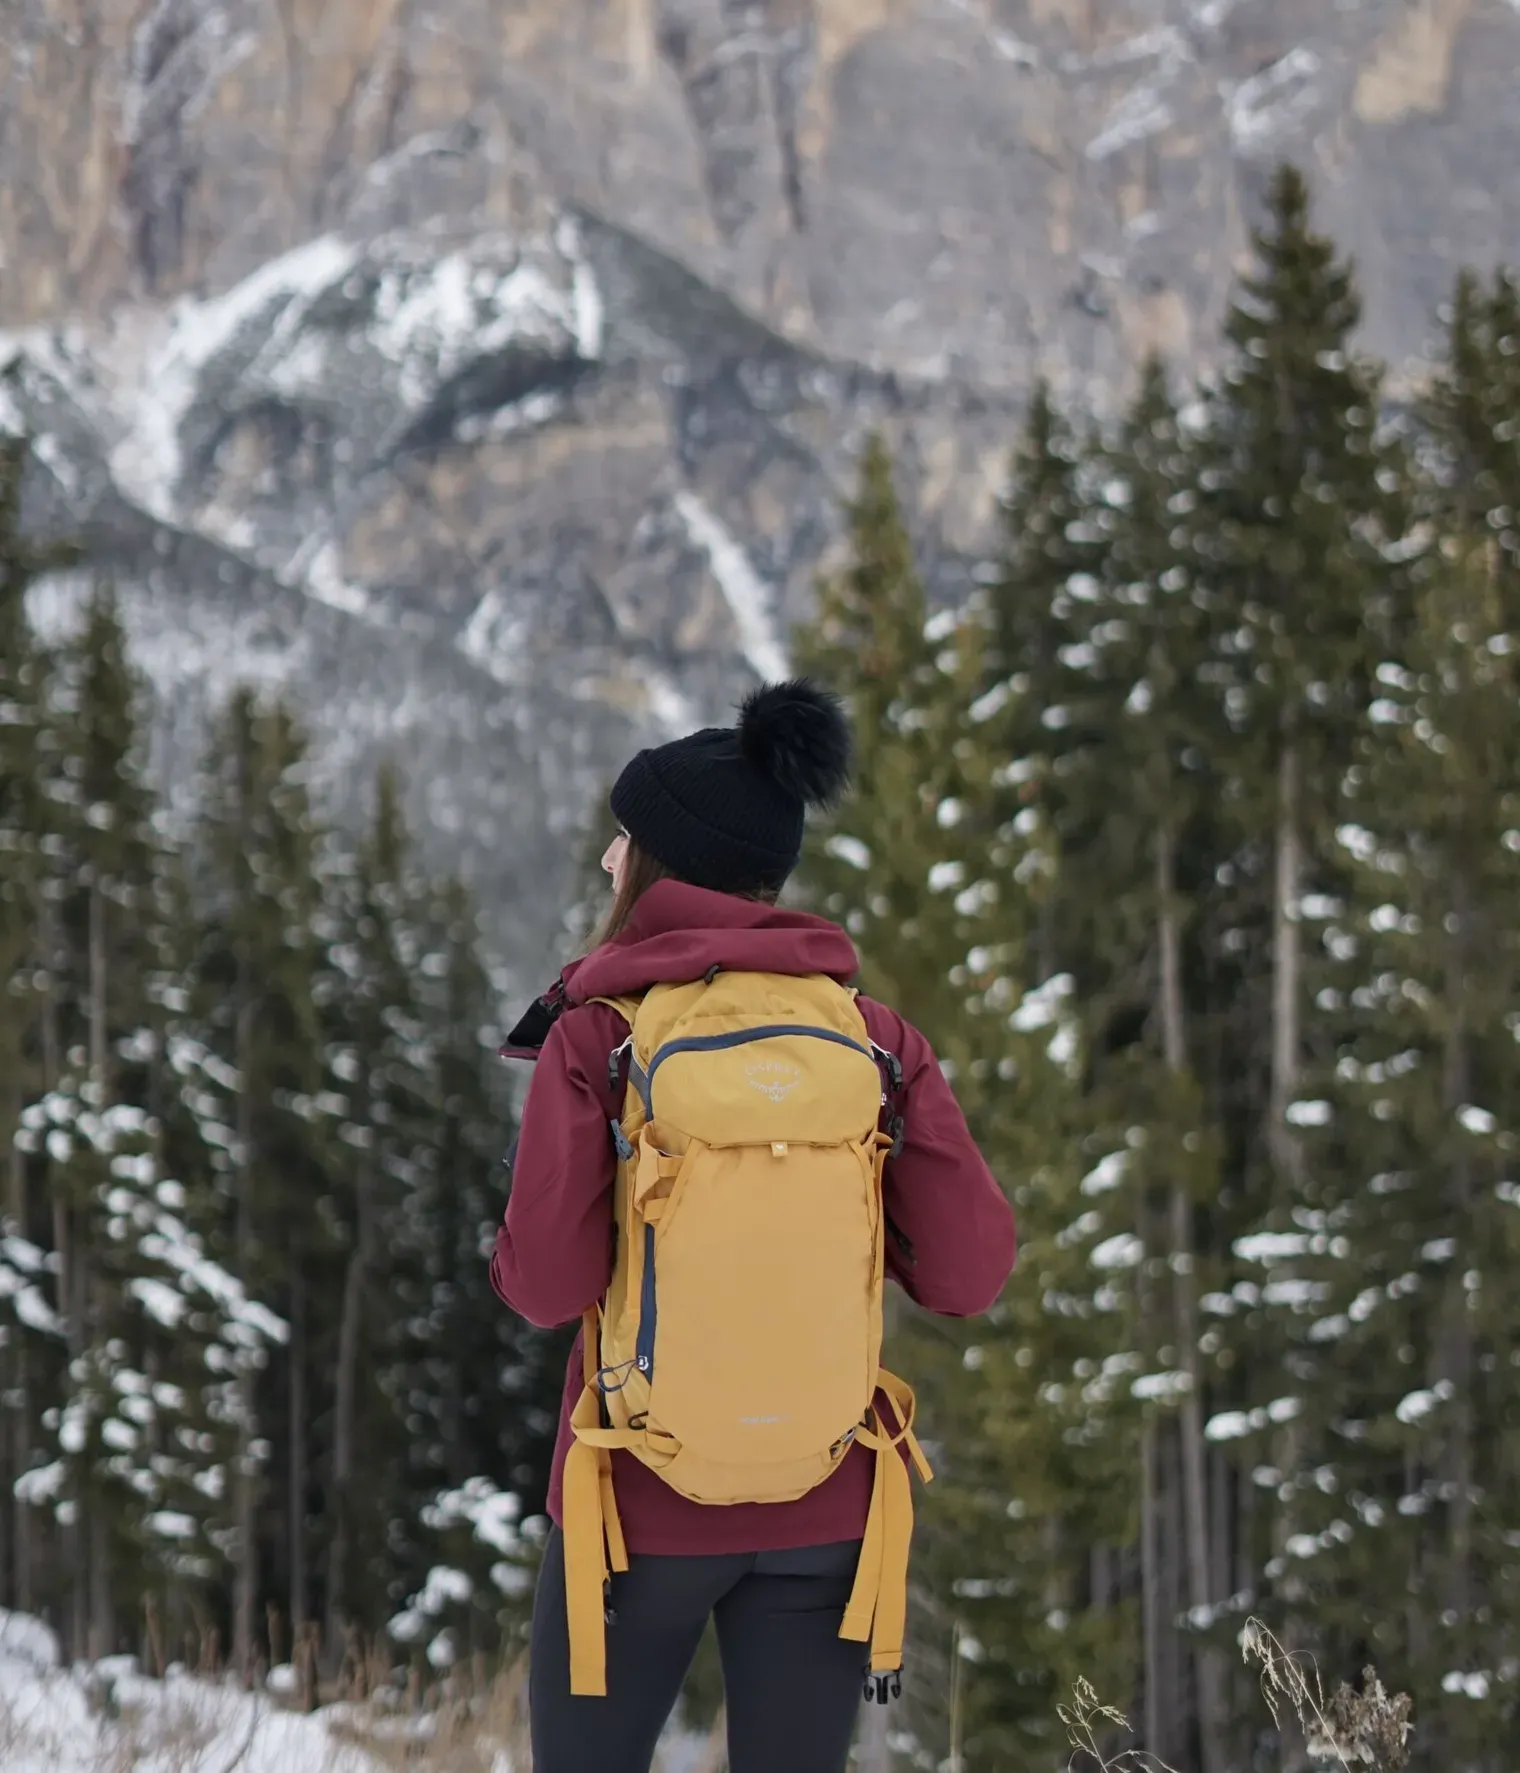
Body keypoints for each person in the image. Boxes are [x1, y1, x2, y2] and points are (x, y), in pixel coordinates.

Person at [490, 678, 1016, 1773]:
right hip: (825, 1501)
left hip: (634, 1507)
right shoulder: (873, 1040)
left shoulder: (597, 1039)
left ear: (658, 867)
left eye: (621, 838)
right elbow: (968, 1275)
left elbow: (545, 1286)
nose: (605, 860)